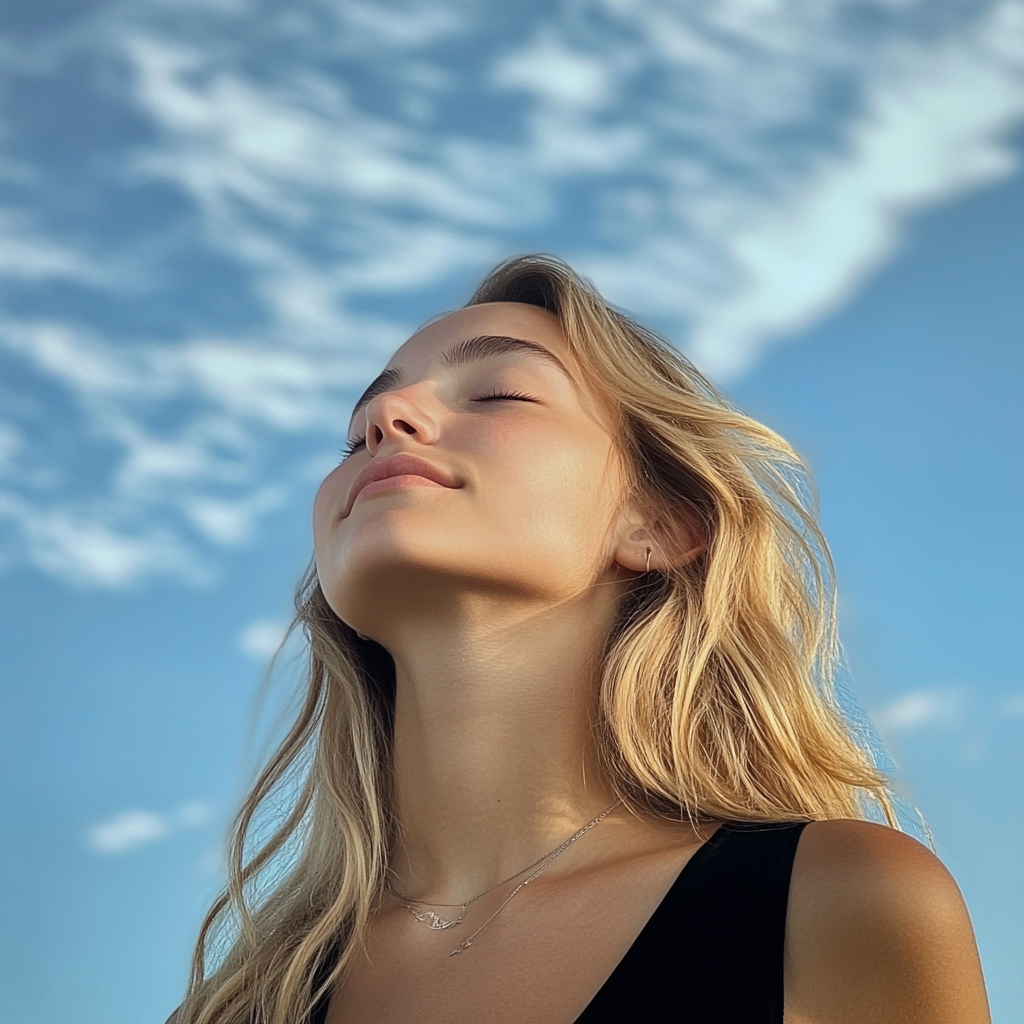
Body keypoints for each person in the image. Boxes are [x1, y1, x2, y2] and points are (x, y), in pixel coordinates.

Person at [172, 256, 990, 1024]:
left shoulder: (838, 902)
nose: (388, 419)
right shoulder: (244, 998)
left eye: (497, 393)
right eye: (356, 434)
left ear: (660, 523)